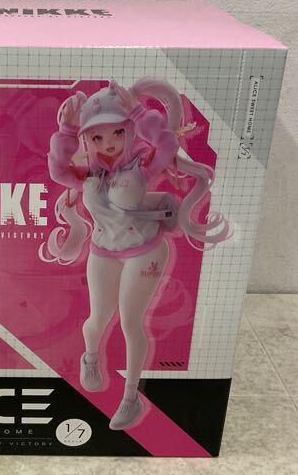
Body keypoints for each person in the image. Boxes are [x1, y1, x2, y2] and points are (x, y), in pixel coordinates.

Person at [41, 78, 231, 429]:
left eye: (117, 132)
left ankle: (130, 399)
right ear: (87, 139)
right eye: (97, 137)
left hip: (145, 250)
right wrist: (65, 131)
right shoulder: (88, 174)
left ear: (128, 130)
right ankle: (90, 357)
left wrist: (141, 113)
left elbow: (167, 143)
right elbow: (57, 171)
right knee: (97, 319)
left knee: (131, 321)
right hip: (103, 249)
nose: (109, 143)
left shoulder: (142, 165)